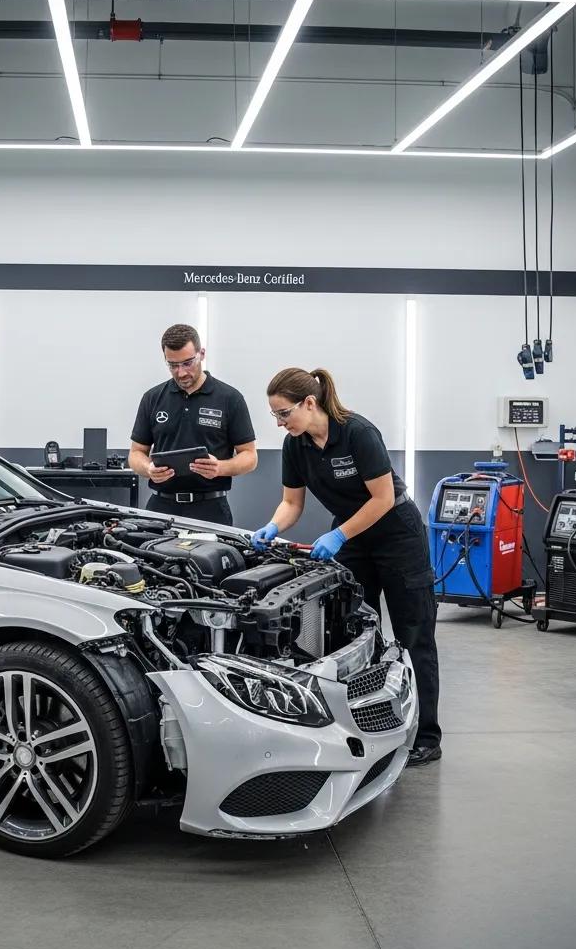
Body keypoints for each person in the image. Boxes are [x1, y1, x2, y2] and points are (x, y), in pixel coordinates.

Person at [251, 367, 442, 767]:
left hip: (397, 534)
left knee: (414, 635)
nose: (280, 423)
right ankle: (364, 727)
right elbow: (292, 504)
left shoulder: (358, 433)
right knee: (354, 633)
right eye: (275, 416)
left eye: (284, 414)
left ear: (309, 403)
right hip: (353, 536)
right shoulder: (296, 447)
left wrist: (339, 535)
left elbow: (383, 498)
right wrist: (272, 526)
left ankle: (426, 736)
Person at [128, 324, 257, 525]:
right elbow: (136, 453)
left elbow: (250, 456)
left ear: (201, 354)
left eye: (188, 363)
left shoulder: (230, 398)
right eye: (173, 365)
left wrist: (220, 468)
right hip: (161, 508)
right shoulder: (152, 398)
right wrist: (149, 468)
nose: (181, 373)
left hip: (211, 510)